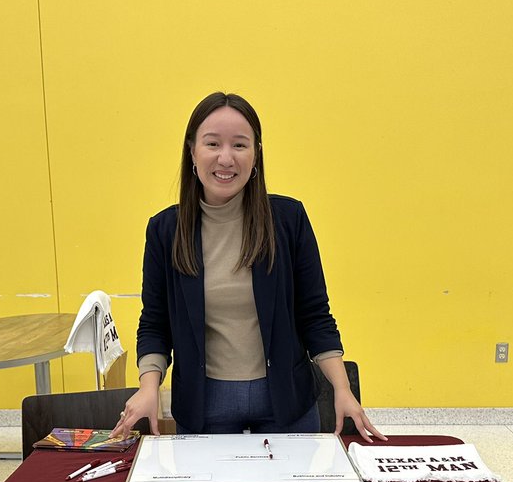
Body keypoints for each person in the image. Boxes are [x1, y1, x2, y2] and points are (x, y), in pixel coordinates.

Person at [111, 92, 384, 440]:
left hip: (286, 403)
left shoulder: (288, 220)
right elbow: (155, 323)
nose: (226, 158)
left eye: (240, 145)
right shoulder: (166, 230)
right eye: (212, 144)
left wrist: (343, 390)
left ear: (256, 154)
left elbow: (315, 314)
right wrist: (149, 386)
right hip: (204, 405)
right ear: (192, 152)